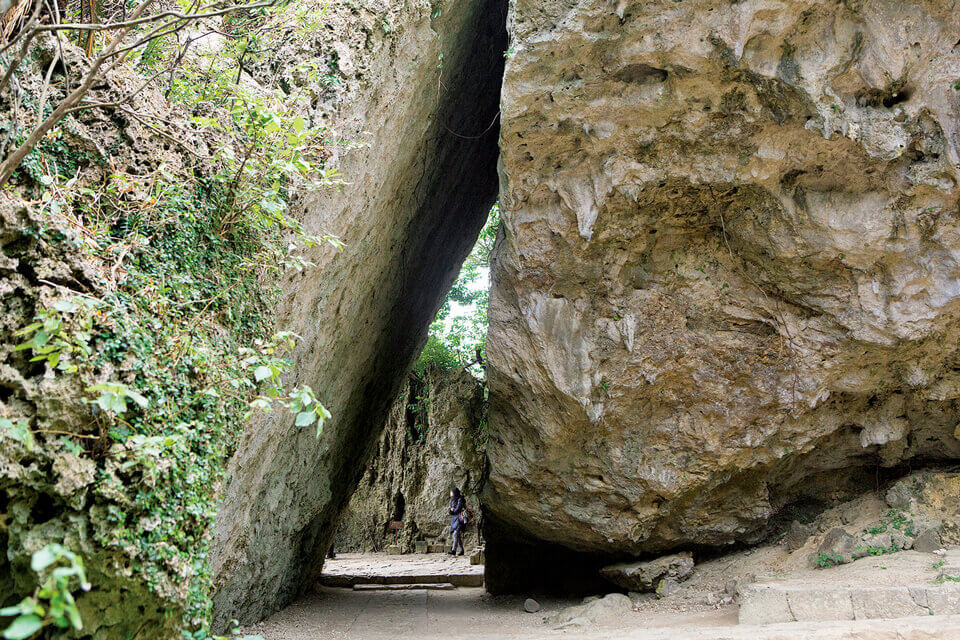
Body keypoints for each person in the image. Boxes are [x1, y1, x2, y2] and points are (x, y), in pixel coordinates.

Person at [448, 487, 466, 556]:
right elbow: (450, 509)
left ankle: (453, 550)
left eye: (451, 492)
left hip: (460, 518)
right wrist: (451, 511)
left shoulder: (460, 499)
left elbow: (458, 509)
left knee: (455, 534)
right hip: (454, 519)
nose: (451, 493)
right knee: (457, 536)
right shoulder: (452, 500)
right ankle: (461, 550)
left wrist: (452, 511)